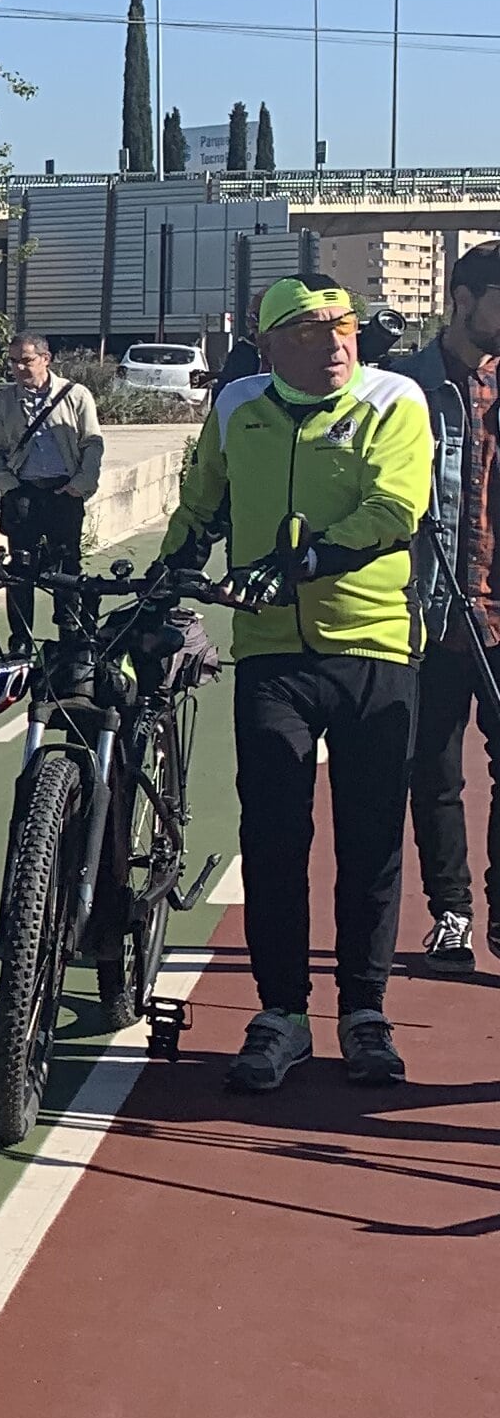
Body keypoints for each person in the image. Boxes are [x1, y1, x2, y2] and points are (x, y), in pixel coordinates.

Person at [159, 274, 435, 1090]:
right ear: (270, 340)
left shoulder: (395, 401)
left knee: (371, 839)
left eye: (345, 325)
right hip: (273, 656)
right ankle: (281, 1013)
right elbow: (201, 504)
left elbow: (395, 509)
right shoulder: (237, 404)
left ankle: (365, 1013)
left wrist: (304, 562)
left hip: (376, 648)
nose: (338, 342)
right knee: (275, 837)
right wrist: (169, 578)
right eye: (314, 331)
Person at [394, 241, 500, 975]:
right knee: (432, 774)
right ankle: (452, 912)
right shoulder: (406, 387)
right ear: (462, 299)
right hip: (428, 613)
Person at [0, 332, 104, 653]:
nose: (19, 367)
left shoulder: (76, 395)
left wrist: (80, 485)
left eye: (26, 360)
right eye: (13, 361)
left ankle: (69, 632)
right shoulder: (3, 402)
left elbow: (92, 443)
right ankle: (21, 638)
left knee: (67, 565)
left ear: (45, 359)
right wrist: (9, 488)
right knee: (19, 569)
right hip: (23, 492)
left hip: (64, 492)